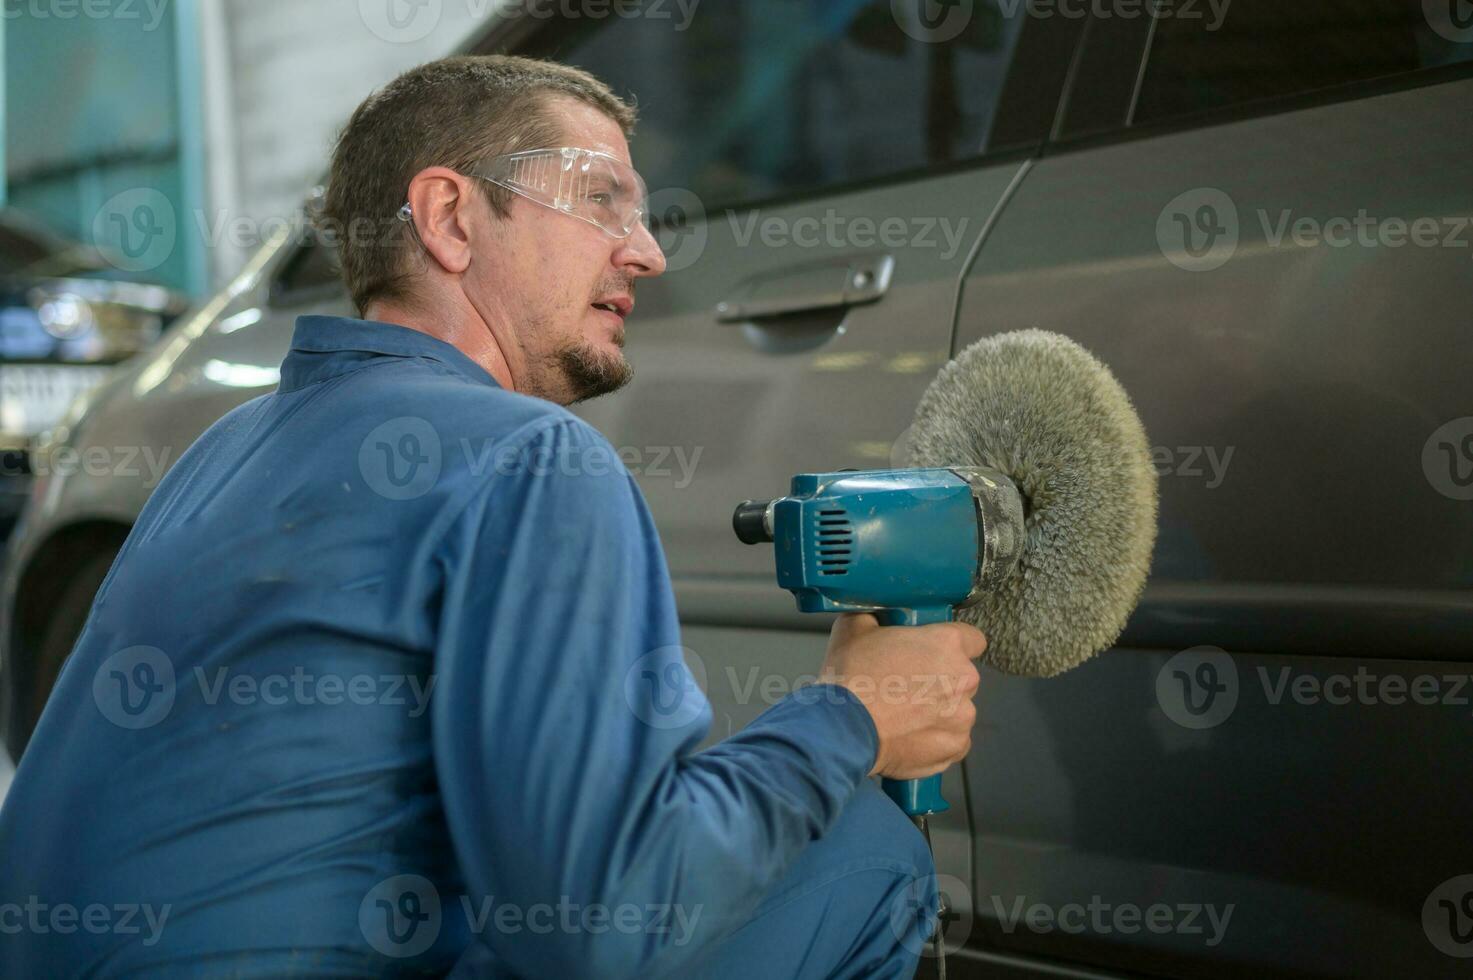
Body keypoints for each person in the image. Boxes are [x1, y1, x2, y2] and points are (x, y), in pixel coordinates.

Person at [0, 55, 985, 978]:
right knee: (871, 852)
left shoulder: (221, 451)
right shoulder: (530, 457)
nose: (643, 251)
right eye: (605, 200)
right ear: (452, 218)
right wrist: (853, 712)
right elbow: (599, 925)